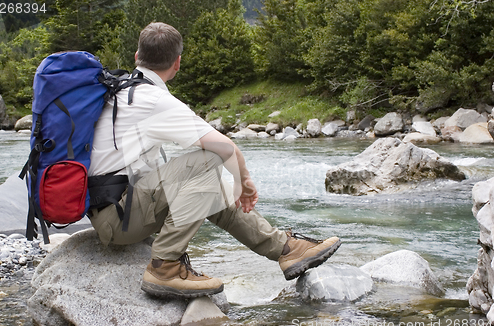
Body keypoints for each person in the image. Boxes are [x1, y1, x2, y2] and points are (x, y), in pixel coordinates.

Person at [87, 22, 341, 298]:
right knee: (206, 163)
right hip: (118, 219)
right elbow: (225, 149)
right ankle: (165, 266)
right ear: (178, 63)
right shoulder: (154, 99)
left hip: (112, 211)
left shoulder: (119, 89)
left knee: (211, 187)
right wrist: (245, 182)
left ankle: (285, 249)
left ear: (137, 56)